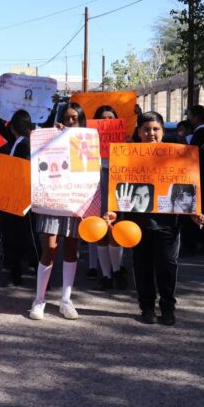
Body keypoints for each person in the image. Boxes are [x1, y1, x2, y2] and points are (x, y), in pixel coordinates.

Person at [106, 111, 204, 326]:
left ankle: (168, 308)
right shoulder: (127, 155)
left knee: (167, 266)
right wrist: (113, 211)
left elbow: (187, 187)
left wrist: (194, 212)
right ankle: (147, 307)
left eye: (156, 129)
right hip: (137, 224)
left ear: (162, 131)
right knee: (142, 266)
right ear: (139, 132)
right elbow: (118, 188)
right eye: (146, 129)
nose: (151, 133)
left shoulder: (177, 155)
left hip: (169, 223)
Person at [29, 102, 87, 321]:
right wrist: (52, 136)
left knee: (72, 250)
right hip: (52, 201)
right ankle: (39, 299)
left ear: (81, 120)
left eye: (75, 118)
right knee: (50, 249)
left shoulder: (88, 142)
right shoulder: (49, 138)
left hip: (76, 201)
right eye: (68, 117)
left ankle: (66, 300)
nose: (71, 122)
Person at [0, 109, 38, 287]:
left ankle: (38, 272)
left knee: (27, 237)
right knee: (13, 236)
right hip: (11, 197)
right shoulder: (11, 146)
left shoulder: (27, 145)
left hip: (23, 198)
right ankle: (16, 273)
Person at [93, 105, 127, 291]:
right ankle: (105, 275)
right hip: (96, 184)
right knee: (100, 232)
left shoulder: (123, 140)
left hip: (116, 183)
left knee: (115, 230)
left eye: (110, 118)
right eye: (103, 118)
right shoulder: (88, 139)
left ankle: (117, 270)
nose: (107, 122)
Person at [184, 104, 204, 256]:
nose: (188, 119)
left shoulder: (202, 133)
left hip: (200, 178)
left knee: (200, 212)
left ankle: (199, 245)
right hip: (202, 177)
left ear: (197, 117)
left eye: (190, 116)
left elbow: (194, 156)